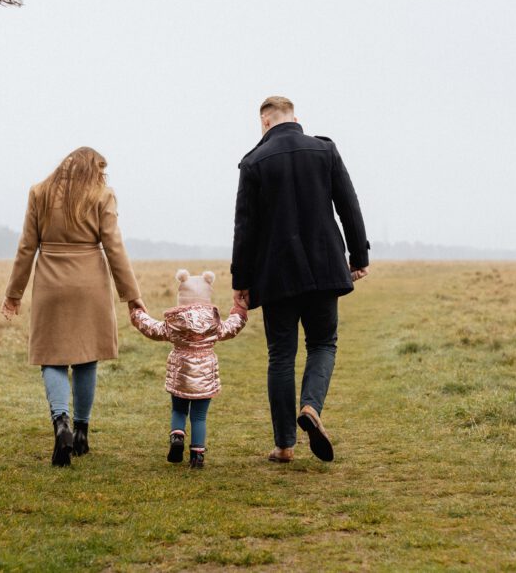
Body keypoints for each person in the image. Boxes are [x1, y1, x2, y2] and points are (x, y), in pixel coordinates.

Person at [231, 96, 370, 463]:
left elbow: (245, 229)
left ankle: (284, 445)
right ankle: (311, 407)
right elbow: (348, 205)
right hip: (324, 268)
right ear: (296, 118)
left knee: (281, 356)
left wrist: (240, 282)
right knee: (323, 344)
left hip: (275, 276)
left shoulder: (253, 162)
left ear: (264, 122)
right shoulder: (324, 150)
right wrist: (359, 256)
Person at [1, 147, 145, 467]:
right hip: (89, 285)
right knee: (86, 357)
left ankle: (60, 422)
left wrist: (14, 294)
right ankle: (81, 431)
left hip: (50, 284)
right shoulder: (101, 195)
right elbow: (115, 248)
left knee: (51, 357)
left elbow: (26, 247)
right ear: (93, 169)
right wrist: (132, 296)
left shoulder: (39, 192)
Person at [130, 269, 248, 469]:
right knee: (199, 416)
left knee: (178, 409)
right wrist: (239, 310)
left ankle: (177, 436)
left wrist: (137, 313)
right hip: (205, 374)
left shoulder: (173, 322)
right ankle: (197, 456)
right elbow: (231, 327)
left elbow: (153, 329)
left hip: (180, 372)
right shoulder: (214, 321)